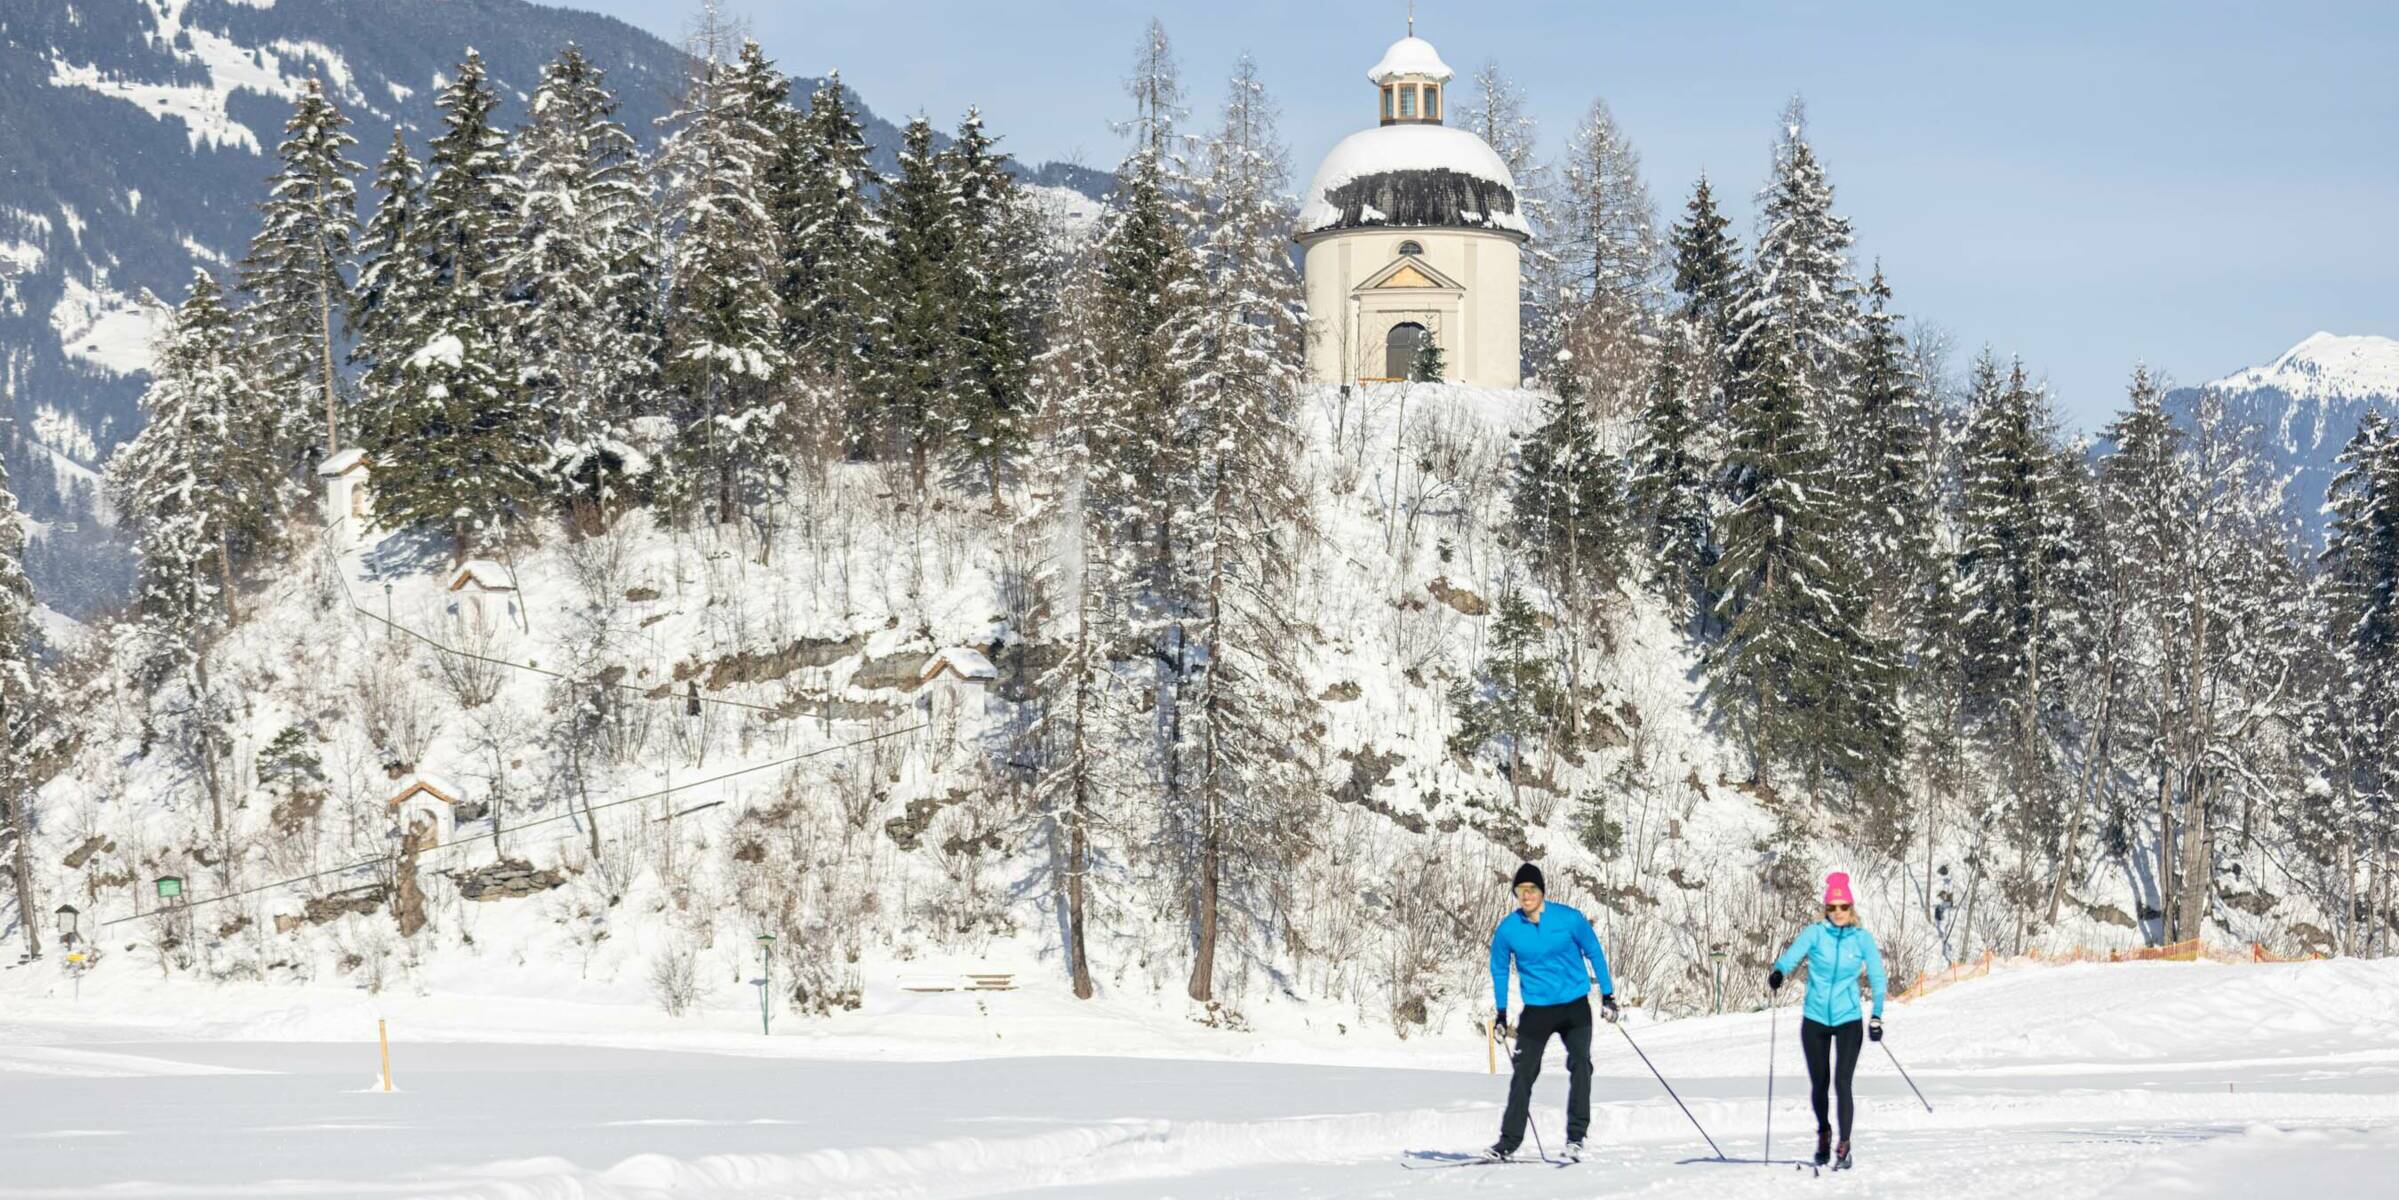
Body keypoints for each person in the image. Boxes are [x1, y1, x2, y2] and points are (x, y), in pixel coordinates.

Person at [1484, 861, 1617, 1163]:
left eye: (1531, 889)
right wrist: (1502, 1014)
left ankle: (1576, 1137)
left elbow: (1594, 951)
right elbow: (1500, 971)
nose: (1526, 895)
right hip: (1537, 1010)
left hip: (1574, 1006)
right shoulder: (1508, 929)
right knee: (1523, 1073)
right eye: (1520, 890)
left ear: (1542, 891)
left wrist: (1608, 995)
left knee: (1581, 1063)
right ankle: (1508, 1142)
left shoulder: (1569, 919)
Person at [1768, 870, 1888, 1170]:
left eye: (1843, 907)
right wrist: (1779, 971)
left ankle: (1844, 1144)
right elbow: (1791, 956)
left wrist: (1876, 1015)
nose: (1837, 913)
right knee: (1819, 1083)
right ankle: (1824, 1131)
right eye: (1832, 907)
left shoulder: (1861, 939)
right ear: (1826, 908)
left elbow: (1876, 975)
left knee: (1842, 1081)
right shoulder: (1815, 933)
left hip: (1848, 1019)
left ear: (1851, 908)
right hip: (1816, 1018)